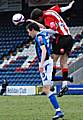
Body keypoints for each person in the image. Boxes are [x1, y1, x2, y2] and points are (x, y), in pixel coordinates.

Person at [28, 1, 75, 97]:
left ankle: (51, 86)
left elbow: (53, 31)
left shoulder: (47, 18)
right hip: (69, 37)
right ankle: (64, 85)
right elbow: (61, 9)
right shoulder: (50, 11)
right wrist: (69, 6)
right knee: (63, 62)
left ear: (40, 17)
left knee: (53, 59)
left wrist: (40, 30)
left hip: (61, 38)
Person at [26, 22, 64, 120]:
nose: (28, 34)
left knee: (46, 89)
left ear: (32, 30)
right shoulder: (43, 33)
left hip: (46, 63)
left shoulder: (38, 37)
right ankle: (58, 111)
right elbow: (42, 27)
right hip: (48, 62)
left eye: (28, 32)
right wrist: (32, 21)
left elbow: (44, 50)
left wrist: (41, 64)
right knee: (47, 88)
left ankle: (59, 111)